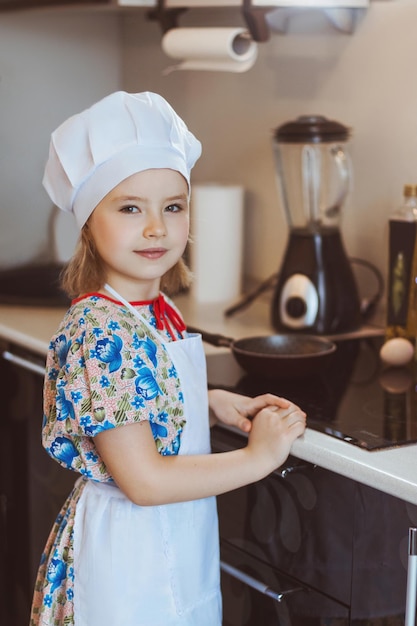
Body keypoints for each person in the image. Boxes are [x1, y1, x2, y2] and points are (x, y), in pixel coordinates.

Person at [30, 91, 306, 626]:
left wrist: (207, 402)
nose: (156, 227)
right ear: (89, 223)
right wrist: (259, 458)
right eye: (131, 207)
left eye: (172, 207)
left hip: (174, 544)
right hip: (127, 564)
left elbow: (139, 406)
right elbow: (144, 481)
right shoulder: (102, 331)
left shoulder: (154, 310)